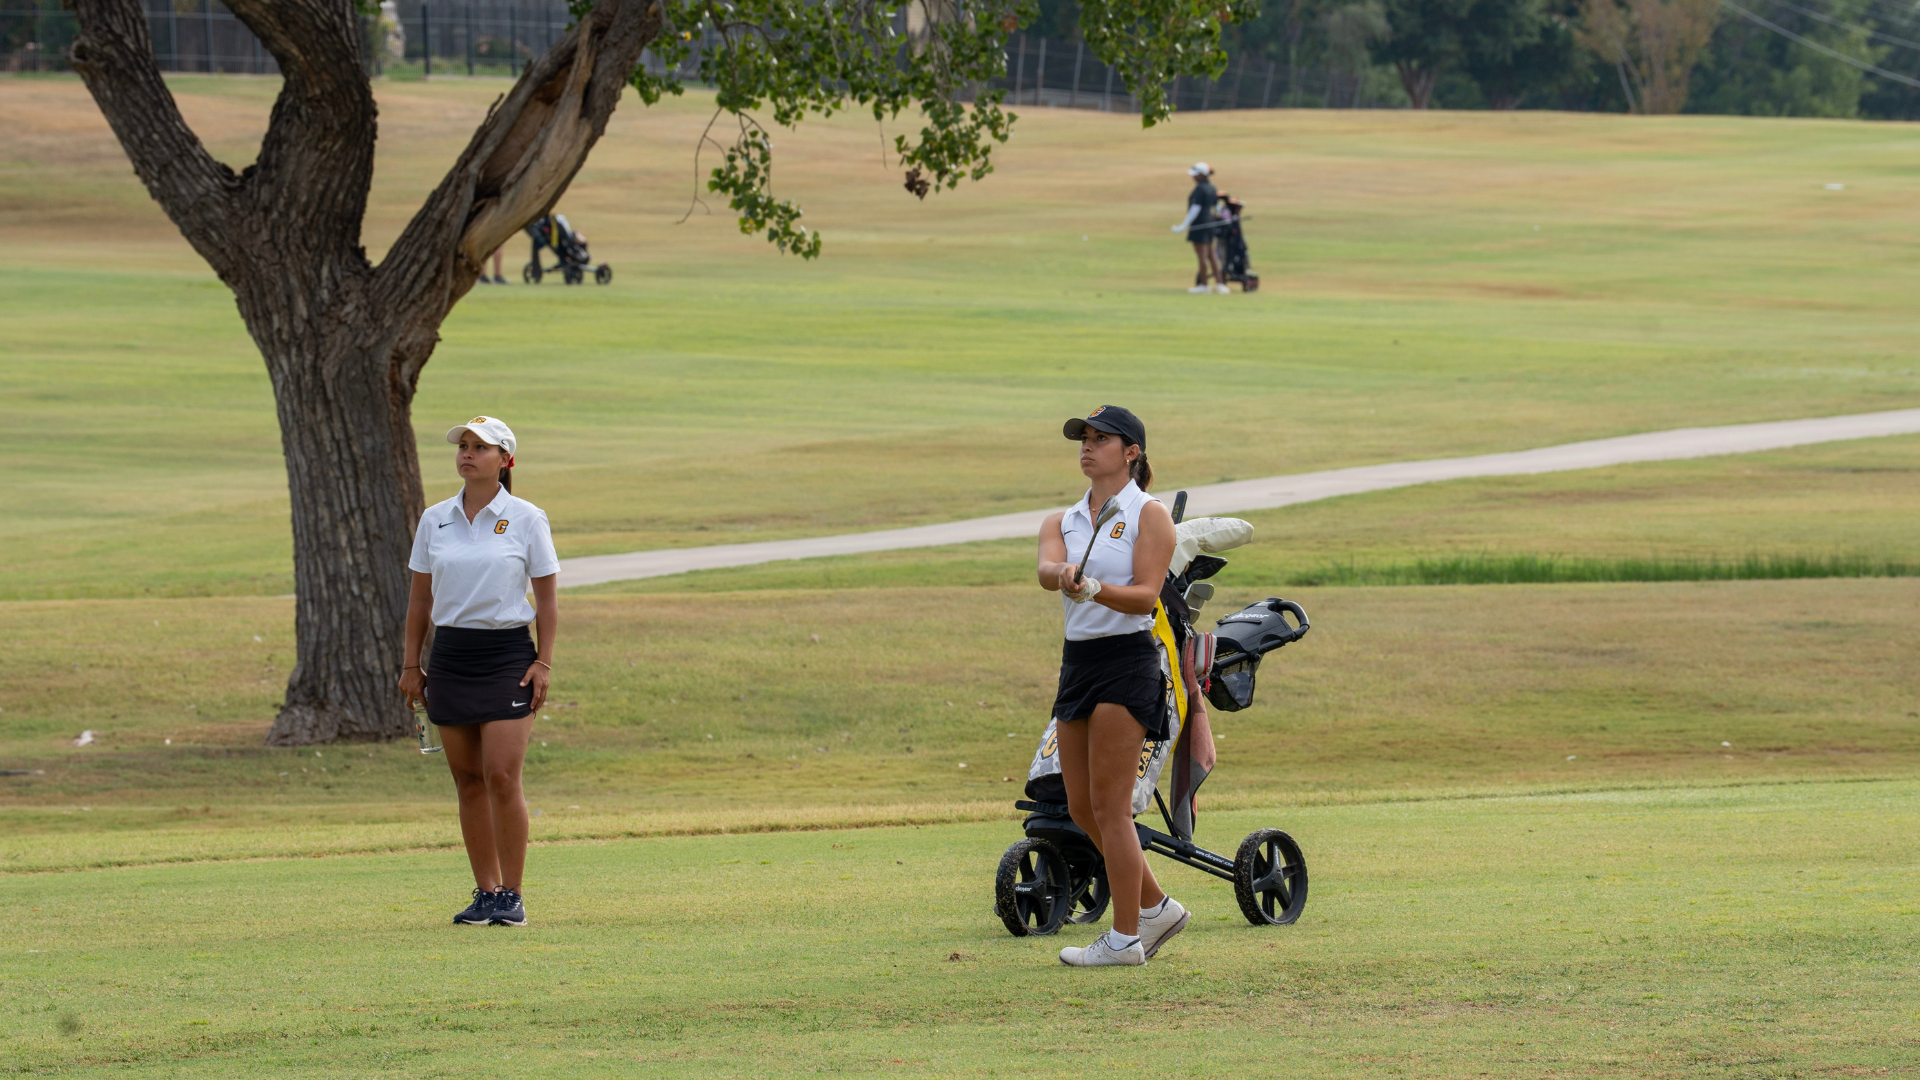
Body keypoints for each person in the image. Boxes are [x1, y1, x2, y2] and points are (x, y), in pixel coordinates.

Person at [1037, 405, 1188, 967]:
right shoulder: (1063, 519)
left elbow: (1147, 596)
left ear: (1131, 453)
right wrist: (1064, 576)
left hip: (1127, 660)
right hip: (1078, 663)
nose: (1088, 446)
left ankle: (1126, 938)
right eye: (1085, 438)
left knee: (1111, 808)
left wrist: (1091, 585)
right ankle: (1157, 907)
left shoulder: (1149, 515)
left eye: (1102, 439)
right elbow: (1047, 568)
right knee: (1079, 806)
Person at [398, 415, 559, 928]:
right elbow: (420, 600)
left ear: (505, 461)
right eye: (463, 446)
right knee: (467, 779)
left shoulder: (528, 518)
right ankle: (486, 892)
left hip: (508, 656)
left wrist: (543, 660)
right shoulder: (434, 519)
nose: (467, 454)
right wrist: (411, 664)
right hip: (450, 658)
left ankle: (512, 894)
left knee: (500, 775)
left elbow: (548, 601)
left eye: (481, 447)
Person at [1173, 162, 1229, 295]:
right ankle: (1220, 284)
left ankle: (1204, 285)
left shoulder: (1200, 189)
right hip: (1210, 224)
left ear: (1201, 175)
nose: (1193, 177)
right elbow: (1216, 207)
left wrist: (1183, 225)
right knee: (1211, 256)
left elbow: (1195, 209)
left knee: (1202, 256)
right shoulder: (1211, 187)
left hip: (1199, 225)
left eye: (1195, 175)